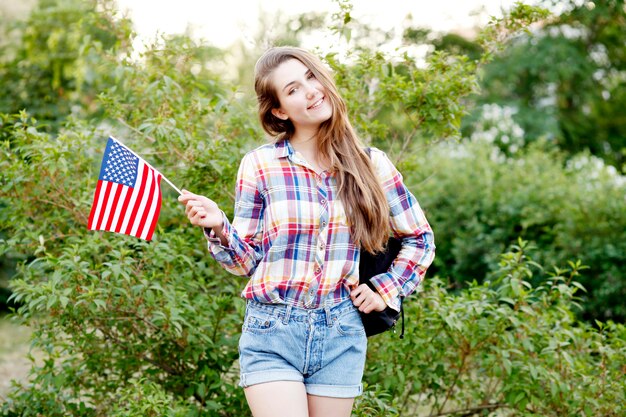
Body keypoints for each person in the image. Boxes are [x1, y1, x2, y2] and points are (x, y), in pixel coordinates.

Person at [178, 46, 435, 417]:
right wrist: (219, 226)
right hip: (272, 329)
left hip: (341, 332)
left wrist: (385, 290)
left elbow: (420, 239)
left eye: (312, 77)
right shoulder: (260, 165)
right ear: (280, 110)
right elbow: (246, 262)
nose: (311, 90)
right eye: (294, 89)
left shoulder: (371, 164)